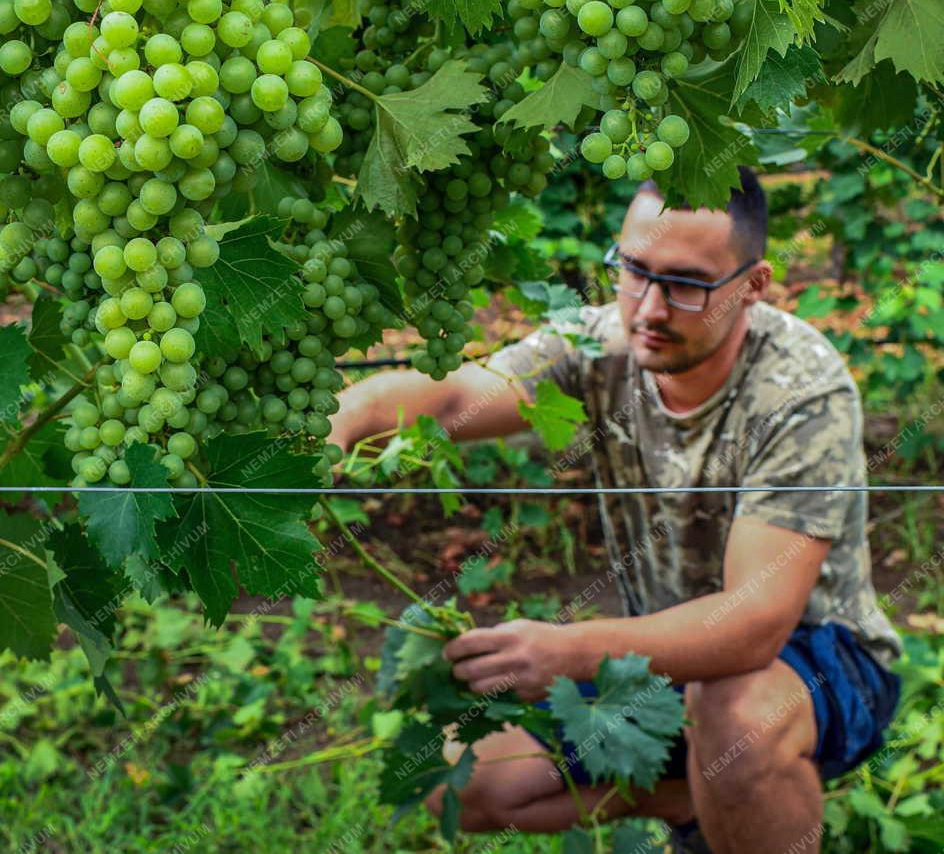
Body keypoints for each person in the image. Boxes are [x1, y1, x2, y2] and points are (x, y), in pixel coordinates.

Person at [329, 168, 902, 854]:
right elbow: (455, 398)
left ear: (754, 284)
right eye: (634, 270)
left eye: (687, 282)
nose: (651, 308)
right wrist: (345, 418)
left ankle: (737, 780)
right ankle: (713, 796)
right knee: (460, 769)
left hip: (818, 658)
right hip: (659, 660)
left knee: (733, 714)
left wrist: (567, 649)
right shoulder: (599, 343)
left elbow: (753, 623)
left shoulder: (801, 390)